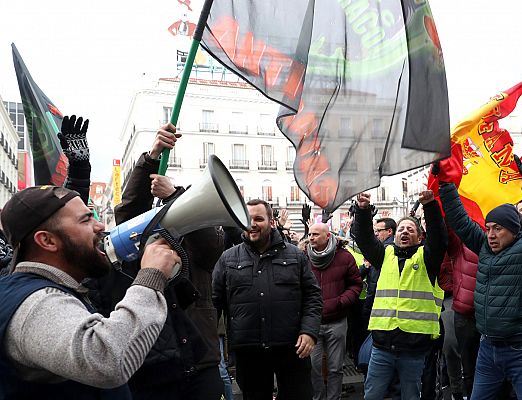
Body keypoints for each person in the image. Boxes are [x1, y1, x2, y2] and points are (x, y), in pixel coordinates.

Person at [0, 185, 179, 398]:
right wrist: (151, 277)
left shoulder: (41, 290)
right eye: (86, 220)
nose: (100, 225)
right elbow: (107, 359)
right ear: (47, 241)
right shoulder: (35, 304)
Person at [90, 124, 226, 399]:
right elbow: (127, 213)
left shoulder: (196, 242)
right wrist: (151, 157)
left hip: (201, 357)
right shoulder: (137, 245)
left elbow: (210, 247)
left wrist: (175, 196)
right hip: (156, 361)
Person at [440, 143, 522, 400]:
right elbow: (459, 219)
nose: (491, 234)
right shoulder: (483, 245)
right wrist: (446, 184)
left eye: (498, 229)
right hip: (488, 347)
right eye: (489, 227)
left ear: (514, 229)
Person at [212, 199, 322, 399]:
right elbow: (214, 302)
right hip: (249, 352)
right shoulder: (227, 259)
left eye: (258, 219)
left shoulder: (296, 256)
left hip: (292, 348)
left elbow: (313, 296)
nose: (252, 224)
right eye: (247, 219)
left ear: (271, 222)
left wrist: (309, 331)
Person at [351, 189, 447, 399]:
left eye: (410, 229)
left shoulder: (427, 258)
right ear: (394, 235)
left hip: (414, 348)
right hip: (382, 345)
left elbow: (439, 237)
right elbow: (365, 239)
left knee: (411, 395)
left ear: (420, 237)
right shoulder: (384, 255)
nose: (404, 232)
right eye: (401, 228)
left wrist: (430, 206)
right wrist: (363, 210)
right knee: (372, 394)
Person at [306, 222, 362, 400]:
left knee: (335, 367)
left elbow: (355, 284)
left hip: (337, 320)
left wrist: (341, 302)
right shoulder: (303, 257)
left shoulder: (344, 257)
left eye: (315, 234)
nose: (311, 238)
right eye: (309, 234)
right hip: (312, 323)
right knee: (313, 367)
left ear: (327, 236)